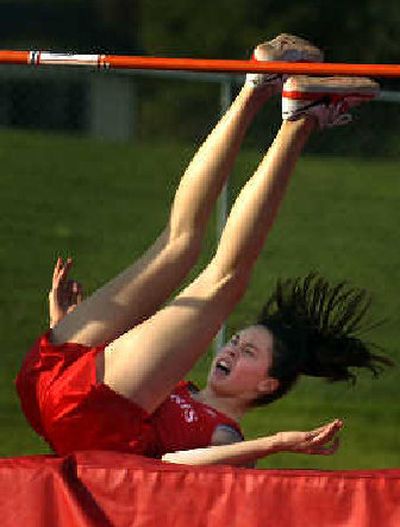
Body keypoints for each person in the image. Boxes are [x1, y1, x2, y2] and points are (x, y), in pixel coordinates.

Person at [16, 35, 388, 467]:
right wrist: (70, 326)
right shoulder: (175, 384)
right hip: (61, 377)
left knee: (223, 278)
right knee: (177, 244)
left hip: (85, 417)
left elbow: (171, 469)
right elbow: (118, 368)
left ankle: (297, 119)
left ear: (267, 385)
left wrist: (272, 443)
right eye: (237, 343)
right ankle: (258, 85)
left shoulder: (224, 434)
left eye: (247, 353)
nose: (229, 350)